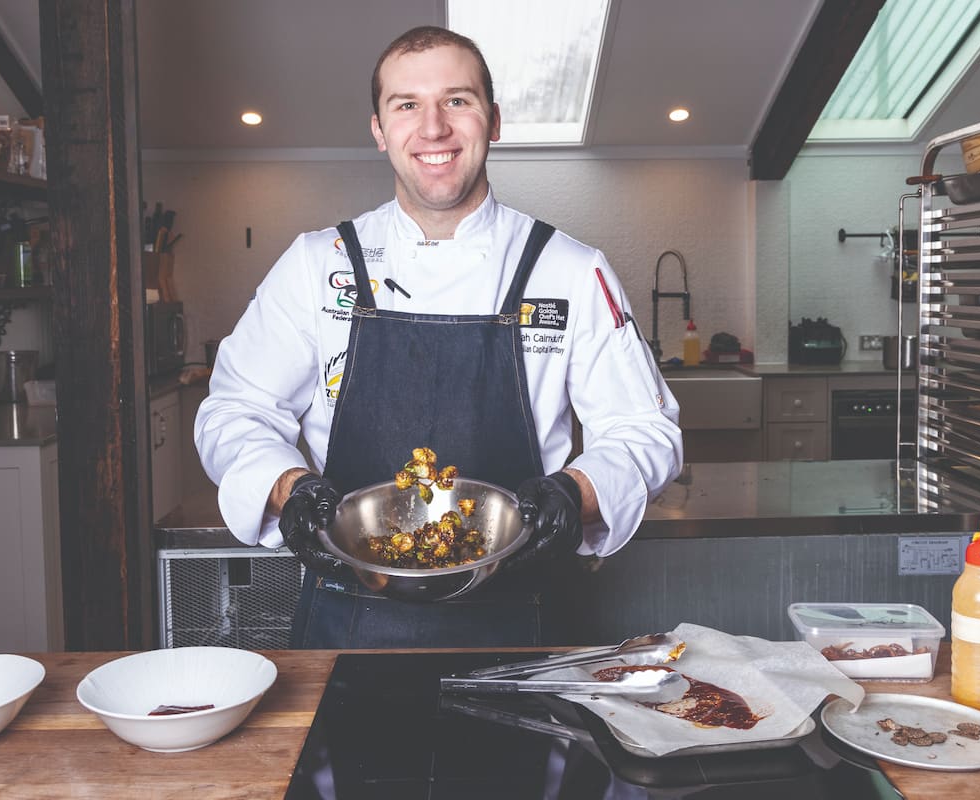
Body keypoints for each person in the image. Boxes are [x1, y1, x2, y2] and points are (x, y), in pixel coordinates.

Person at [195, 25, 682, 649]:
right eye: (407, 105)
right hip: (347, 621)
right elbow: (235, 411)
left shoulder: (569, 269)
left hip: (523, 621)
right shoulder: (318, 264)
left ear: (494, 120)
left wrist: (574, 493)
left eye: (457, 100)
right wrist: (290, 488)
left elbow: (646, 430)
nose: (433, 129)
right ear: (378, 129)